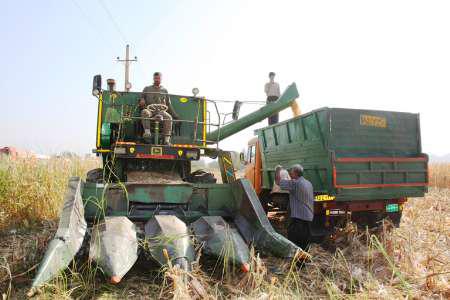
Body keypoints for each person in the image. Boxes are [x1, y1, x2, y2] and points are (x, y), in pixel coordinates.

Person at [275, 164, 314, 250]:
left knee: (294, 240)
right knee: (305, 243)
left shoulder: (295, 184)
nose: (290, 174)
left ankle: (297, 261)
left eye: (291, 172)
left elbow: (278, 182)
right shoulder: (308, 183)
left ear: (295, 173)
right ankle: (303, 260)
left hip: (299, 219)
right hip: (308, 218)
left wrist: (278, 169)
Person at [139, 72, 179, 145]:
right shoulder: (147, 88)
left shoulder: (164, 90)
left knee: (169, 117)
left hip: (161, 112)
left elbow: (169, 105)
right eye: (155, 78)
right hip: (150, 110)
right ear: (153, 79)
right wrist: (142, 100)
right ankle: (147, 133)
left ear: (161, 79)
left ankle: (166, 140)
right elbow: (141, 98)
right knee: (144, 112)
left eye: (158, 78)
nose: (156, 80)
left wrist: (175, 115)